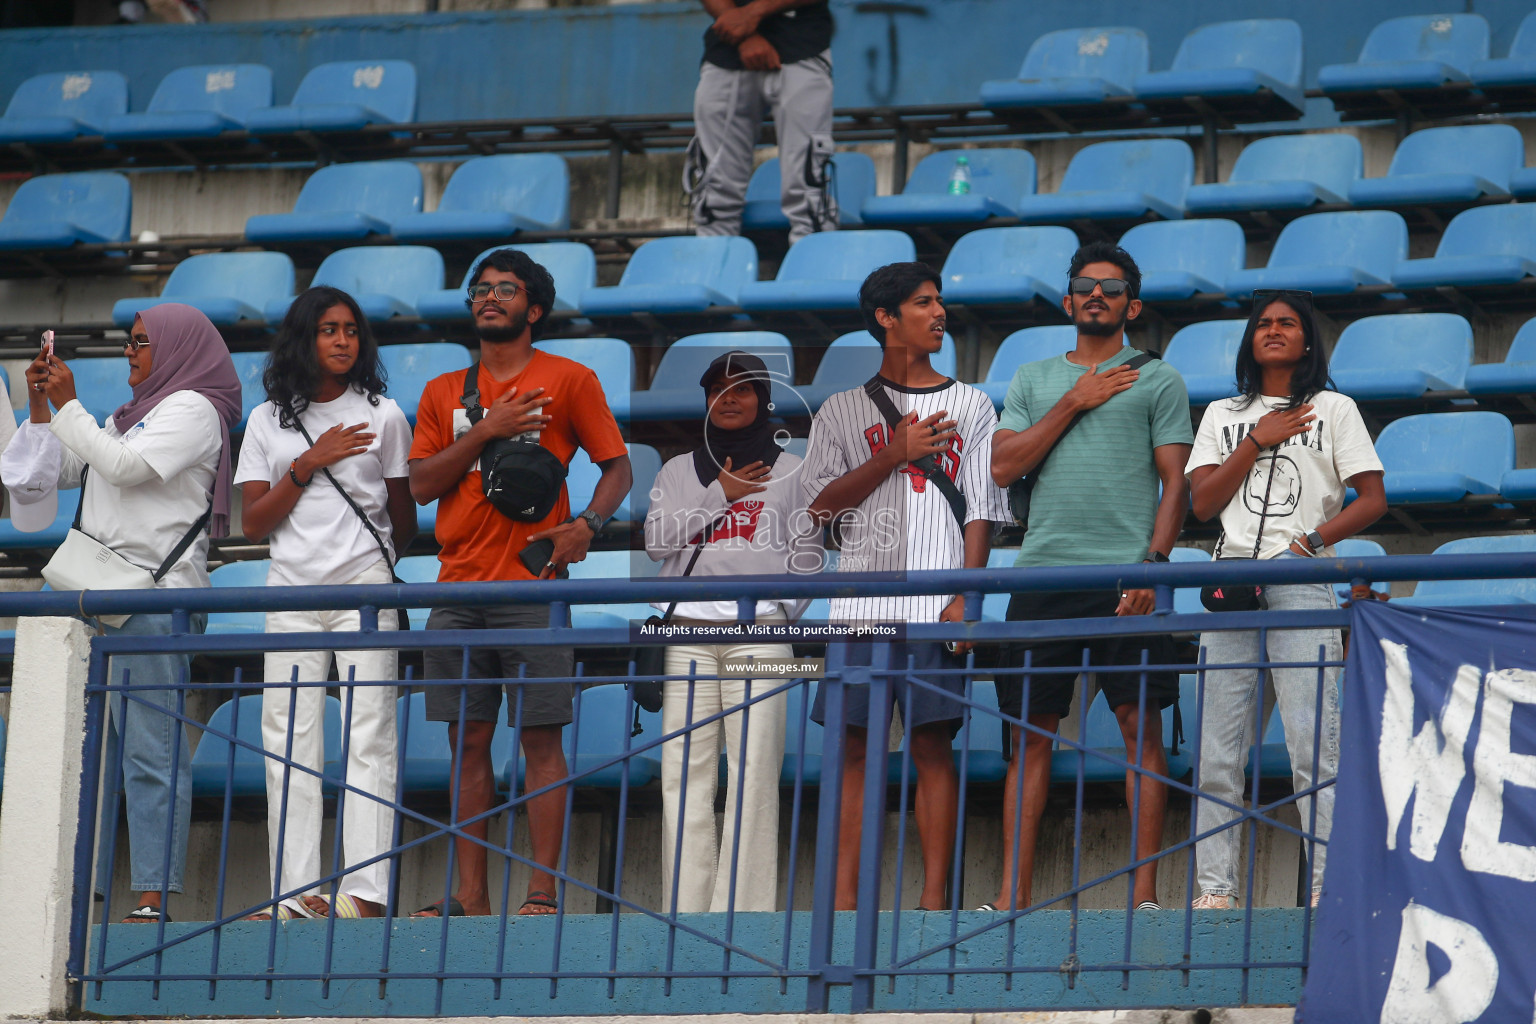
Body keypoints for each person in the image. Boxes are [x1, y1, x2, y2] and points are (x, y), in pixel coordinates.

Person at [408, 248, 631, 918]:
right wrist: (489, 429)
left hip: (535, 590)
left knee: (540, 740)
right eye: (479, 288)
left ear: (533, 308)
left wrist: (587, 524)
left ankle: (541, 893)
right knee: (468, 741)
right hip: (455, 589)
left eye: (506, 289)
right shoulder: (443, 391)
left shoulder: (571, 378)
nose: (489, 297)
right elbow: (421, 485)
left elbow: (617, 469)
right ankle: (471, 894)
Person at [2, 304, 240, 923]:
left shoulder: (194, 409)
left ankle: (153, 898)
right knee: (77, 751)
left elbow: (124, 468)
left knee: (149, 751)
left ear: (177, 347)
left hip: (151, 599)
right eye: (128, 343)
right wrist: (40, 408)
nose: (129, 353)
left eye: (139, 343)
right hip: (93, 593)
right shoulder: (129, 414)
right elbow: (60, 473)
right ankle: (74, 892)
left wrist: (72, 404)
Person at [988, 241, 1192, 912]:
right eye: (1084, 286)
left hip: (1125, 578)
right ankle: (1012, 899)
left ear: (1132, 304)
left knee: (1141, 730)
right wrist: (1076, 400)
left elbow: (1176, 486)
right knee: (1030, 739)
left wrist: (1154, 568)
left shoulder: (1158, 379)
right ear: (1070, 300)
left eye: (1111, 288)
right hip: (1040, 576)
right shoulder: (1033, 378)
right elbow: (1002, 467)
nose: (1096, 295)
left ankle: (1145, 899)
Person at [802, 262, 1007, 910]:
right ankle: (841, 904)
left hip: (935, 602)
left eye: (940, 301)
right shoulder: (841, 409)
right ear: (887, 318)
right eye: (923, 303)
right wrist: (891, 453)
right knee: (854, 751)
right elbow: (817, 511)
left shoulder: (972, 403)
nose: (939, 312)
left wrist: (966, 597)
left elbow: (981, 508)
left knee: (931, 747)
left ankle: (933, 905)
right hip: (861, 601)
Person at [1186, 289, 1386, 911]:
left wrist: (1314, 541)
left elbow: (1373, 498)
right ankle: (1213, 893)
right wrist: (1257, 439)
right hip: (1233, 581)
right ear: (1251, 338)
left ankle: (1327, 890)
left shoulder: (1335, 407)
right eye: (1263, 323)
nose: (1273, 331)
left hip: (1302, 581)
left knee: (1313, 751)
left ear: (1307, 339)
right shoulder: (1223, 412)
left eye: (1287, 323)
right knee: (1218, 754)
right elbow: (1200, 503)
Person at [234, 286, 417, 920]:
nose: (342, 341)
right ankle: (296, 893)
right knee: (288, 741)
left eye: (351, 330)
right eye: (328, 330)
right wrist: (307, 463)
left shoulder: (385, 414)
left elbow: (404, 519)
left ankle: (365, 893)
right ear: (302, 339)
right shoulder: (265, 420)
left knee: (370, 739)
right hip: (290, 591)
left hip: (365, 588)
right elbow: (252, 523)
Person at [644, 350, 820, 913]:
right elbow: (656, 542)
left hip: (762, 634)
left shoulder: (796, 468)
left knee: (755, 773)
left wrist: (776, 617)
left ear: (764, 399)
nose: (729, 399)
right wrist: (720, 493)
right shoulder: (676, 470)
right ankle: (686, 912)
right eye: (717, 389)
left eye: (742, 389)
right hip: (687, 636)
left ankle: (744, 917)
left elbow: (809, 558)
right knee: (684, 774)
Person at [688, 0, 836, 243]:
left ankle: (814, 275)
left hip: (803, 43)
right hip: (726, 48)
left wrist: (751, 13)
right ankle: (713, 275)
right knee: (714, 195)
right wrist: (744, 34)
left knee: (810, 193)